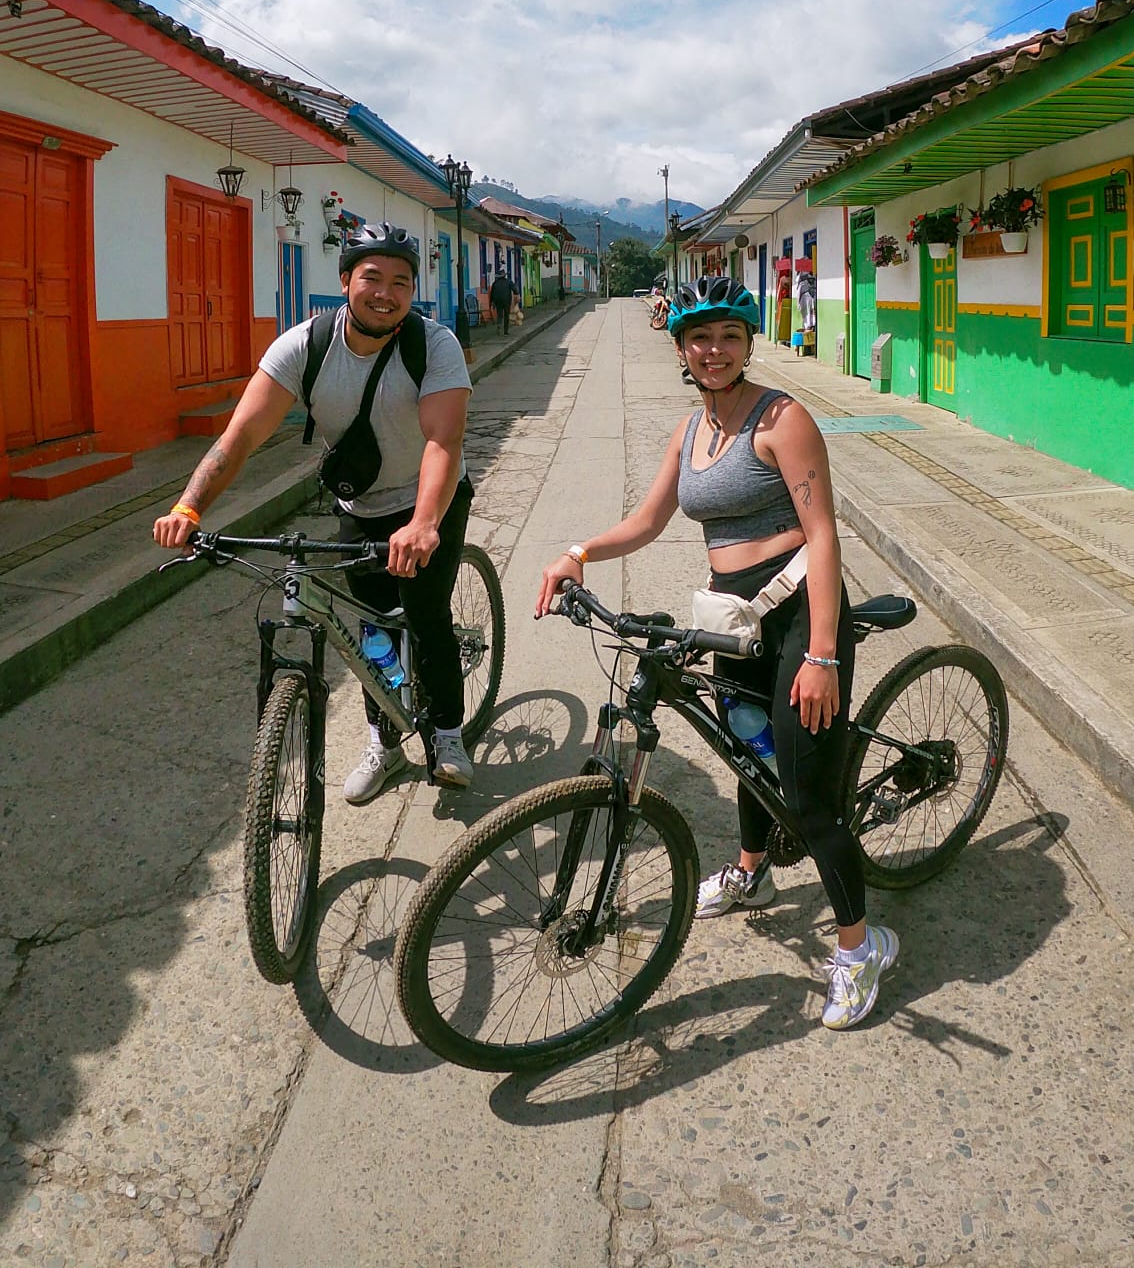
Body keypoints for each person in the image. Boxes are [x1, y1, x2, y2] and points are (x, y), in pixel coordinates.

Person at [535, 275, 898, 1030]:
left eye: (730, 335)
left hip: (797, 612)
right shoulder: (690, 431)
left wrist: (822, 655)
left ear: (747, 343)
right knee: (744, 751)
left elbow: (823, 534)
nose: (715, 349)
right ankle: (752, 871)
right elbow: (646, 520)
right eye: (700, 337)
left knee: (807, 797)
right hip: (734, 617)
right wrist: (578, 552)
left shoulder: (783, 419)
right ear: (681, 349)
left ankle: (860, 948)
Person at [153, 221, 477, 797]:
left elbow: (443, 441)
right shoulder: (304, 347)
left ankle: (448, 734)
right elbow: (239, 438)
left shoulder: (434, 345)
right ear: (345, 280)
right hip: (362, 501)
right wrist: (189, 508)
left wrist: (424, 523)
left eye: (401, 282)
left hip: (430, 500)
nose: (386, 293)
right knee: (372, 625)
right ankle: (384, 743)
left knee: (425, 616)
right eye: (372, 278)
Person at [489, 270, 516, 335]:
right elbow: (515, 289)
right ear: (504, 276)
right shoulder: (509, 281)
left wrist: (491, 303)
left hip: (498, 301)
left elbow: (491, 294)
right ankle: (505, 331)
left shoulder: (495, 283)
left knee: (499, 315)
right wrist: (517, 294)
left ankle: (499, 325)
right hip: (506, 300)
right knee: (506, 315)